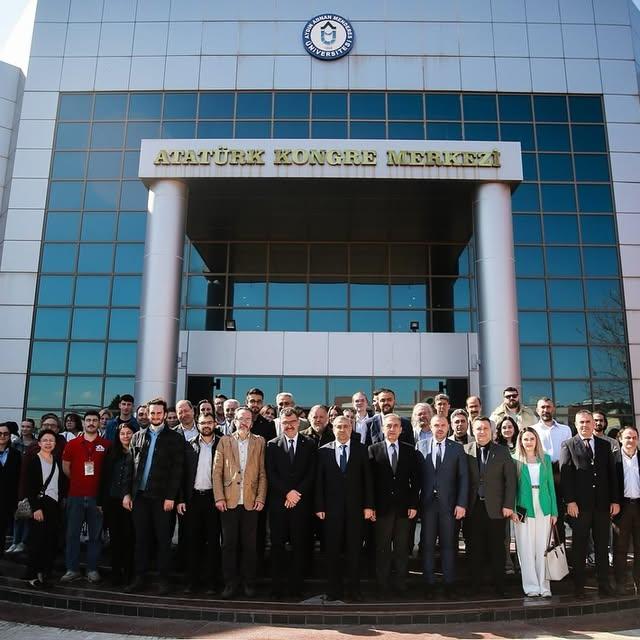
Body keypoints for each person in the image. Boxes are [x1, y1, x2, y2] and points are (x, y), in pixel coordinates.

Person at [124, 398, 185, 595]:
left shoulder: (175, 438)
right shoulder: (137, 437)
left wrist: (171, 497)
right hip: (140, 497)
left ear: (165, 414)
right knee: (140, 539)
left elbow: (178, 470)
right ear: (147, 414)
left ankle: (164, 580)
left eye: (159, 413)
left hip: (162, 499)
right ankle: (139, 577)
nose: (156, 416)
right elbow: (129, 467)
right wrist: (127, 493)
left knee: (163, 540)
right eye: (152, 413)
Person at [560, 409, 620, 597]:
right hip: (580, 507)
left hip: (602, 506)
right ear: (575, 425)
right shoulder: (568, 445)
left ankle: (604, 584)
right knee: (579, 546)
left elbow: (612, 475)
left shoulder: (604, 445)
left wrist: (615, 500)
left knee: (603, 546)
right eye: (581, 422)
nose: (585, 425)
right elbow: (565, 476)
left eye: (588, 422)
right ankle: (579, 587)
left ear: (594, 424)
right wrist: (569, 501)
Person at [315, 415, 373, 601]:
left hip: (356, 510)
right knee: (332, 551)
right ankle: (333, 590)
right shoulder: (323, 451)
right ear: (333, 429)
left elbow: (368, 481)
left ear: (351, 428)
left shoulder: (362, 450)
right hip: (331, 511)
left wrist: (369, 506)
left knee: (354, 551)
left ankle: (354, 590)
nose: (342, 430)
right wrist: (319, 506)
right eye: (338, 426)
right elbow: (319, 482)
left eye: (346, 426)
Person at [213, 406, 267, 599]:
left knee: (249, 546)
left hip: (251, 502)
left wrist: (261, 497)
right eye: (240, 418)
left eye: (247, 419)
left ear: (252, 422)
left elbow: (262, 473)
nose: (244, 422)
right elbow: (216, 471)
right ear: (234, 421)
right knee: (228, 545)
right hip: (229, 501)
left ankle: (249, 584)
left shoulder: (260, 442)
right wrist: (219, 497)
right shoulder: (224, 442)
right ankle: (230, 584)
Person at [266, 406, 316, 598]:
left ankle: (297, 587)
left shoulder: (309, 443)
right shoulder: (271, 445)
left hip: (301, 505)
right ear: (280, 423)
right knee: (277, 546)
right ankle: (276, 587)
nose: (289, 426)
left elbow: (311, 473)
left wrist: (297, 493)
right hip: (279, 504)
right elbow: (271, 473)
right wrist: (287, 493)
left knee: (299, 546)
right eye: (285, 423)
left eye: (292, 422)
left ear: (298, 422)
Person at [368, 413, 421, 597]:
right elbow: (370, 482)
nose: (391, 429)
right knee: (382, 548)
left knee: (401, 548)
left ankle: (400, 584)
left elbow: (416, 480)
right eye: (388, 426)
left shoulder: (409, 450)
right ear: (383, 429)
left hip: (404, 508)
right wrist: (371, 506)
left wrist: (414, 504)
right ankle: (382, 585)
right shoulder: (373, 450)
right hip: (381, 508)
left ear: (401, 429)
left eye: (395, 426)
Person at [465, 416, 516, 597]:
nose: (481, 432)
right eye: (478, 429)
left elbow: (510, 481)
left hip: (496, 509)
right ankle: (475, 587)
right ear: (473, 430)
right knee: (474, 549)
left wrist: (508, 505)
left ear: (492, 431)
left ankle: (500, 587)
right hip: (472, 508)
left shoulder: (502, 451)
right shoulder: (465, 450)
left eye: (485, 428)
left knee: (497, 549)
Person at [417, 415, 468, 598]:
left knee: (448, 545)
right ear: (430, 427)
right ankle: (429, 583)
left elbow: (463, 478)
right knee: (428, 545)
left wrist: (461, 503)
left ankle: (449, 583)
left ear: (448, 427)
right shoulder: (420, 446)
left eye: (443, 425)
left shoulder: (457, 448)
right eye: (436, 425)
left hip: (449, 506)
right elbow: (416, 478)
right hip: (428, 505)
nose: (439, 428)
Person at [61, 411, 110, 584]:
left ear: (99, 423)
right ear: (83, 423)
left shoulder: (106, 445)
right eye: (88, 420)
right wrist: (78, 480)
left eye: (94, 420)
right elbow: (66, 468)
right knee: (72, 534)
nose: (91, 423)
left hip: (97, 498)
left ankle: (92, 569)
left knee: (95, 536)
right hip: (75, 495)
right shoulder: (72, 444)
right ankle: (72, 569)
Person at [178, 410, 221, 594]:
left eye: (209, 422)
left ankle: (212, 583)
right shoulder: (189, 445)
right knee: (192, 543)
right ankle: (192, 582)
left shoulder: (223, 444)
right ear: (198, 424)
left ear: (214, 424)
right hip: (193, 499)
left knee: (213, 543)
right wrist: (180, 499)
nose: (206, 425)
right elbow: (181, 475)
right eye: (203, 423)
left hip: (214, 500)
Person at [511, 427, 558, 598]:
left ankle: (544, 586)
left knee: (542, 548)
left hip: (544, 506)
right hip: (523, 508)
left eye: (532, 438)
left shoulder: (545, 459)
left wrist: (554, 511)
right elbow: (512, 488)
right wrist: (514, 509)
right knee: (526, 548)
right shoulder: (514, 459)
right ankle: (531, 586)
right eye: (525, 439)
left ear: (536, 440)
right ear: (521, 442)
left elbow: (551, 487)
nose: (529, 442)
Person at [25, 429, 65, 588]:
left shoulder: (56, 460)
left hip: (53, 505)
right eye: (45, 440)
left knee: (50, 541)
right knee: (37, 541)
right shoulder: (34, 460)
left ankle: (43, 574)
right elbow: (29, 487)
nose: (48, 443)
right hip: (39, 505)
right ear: (39, 443)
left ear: (55, 444)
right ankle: (32, 576)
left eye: (51, 440)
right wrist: (36, 508)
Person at [98, 423, 135, 586]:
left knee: (129, 538)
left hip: (131, 502)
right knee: (115, 538)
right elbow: (104, 478)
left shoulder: (138, 452)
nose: (126, 436)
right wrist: (101, 501)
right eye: (123, 434)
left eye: (129, 433)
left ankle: (128, 573)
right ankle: (115, 573)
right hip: (113, 500)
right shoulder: (112, 453)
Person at [533, 397, 572, 543]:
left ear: (553, 408)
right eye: (542, 407)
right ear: (537, 410)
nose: (545, 410)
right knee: (543, 516)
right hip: (542, 476)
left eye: (548, 407)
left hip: (561, 475)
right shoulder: (533, 430)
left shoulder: (565, 429)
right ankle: (543, 554)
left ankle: (560, 555)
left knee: (560, 517)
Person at [613, 426, 640, 595]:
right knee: (620, 548)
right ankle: (620, 583)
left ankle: (638, 582)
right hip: (621, 509)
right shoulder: (613, 459)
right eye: (628, 437)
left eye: (634, 437)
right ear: (620, 439)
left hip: (639, 507)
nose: (631, 441)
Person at [0, 423, 21, 558]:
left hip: (6, 502)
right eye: (0, 433)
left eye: (5, 434)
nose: (2, 436)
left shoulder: (16, 455)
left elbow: (19, 478)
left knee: (1, 533)